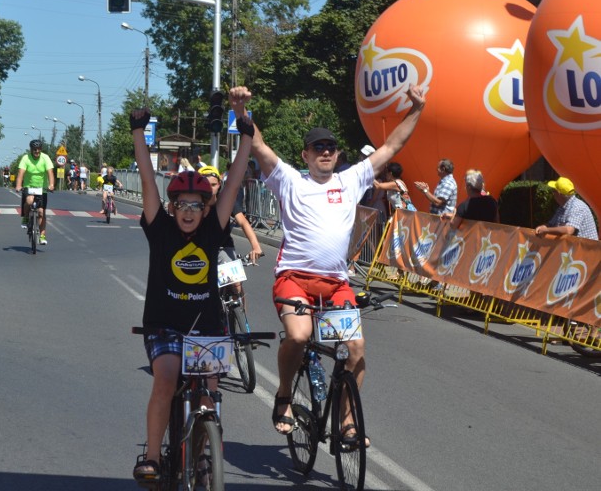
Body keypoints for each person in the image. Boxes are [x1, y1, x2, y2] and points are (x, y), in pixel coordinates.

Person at [245, 84, 426, 446]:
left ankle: (345, 421)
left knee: (355, 351)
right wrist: (241, 112)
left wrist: (417, 109)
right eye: (318, 148)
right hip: (294, 279)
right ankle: (283, 395)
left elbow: (392, 147)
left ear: (337, 153)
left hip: (336, 283)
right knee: (297, 336)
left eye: (330, 148)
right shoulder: (290, 180)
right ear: (306, 154)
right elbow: (259, 146)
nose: (325, 153)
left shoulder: (351, 179)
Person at [130, 93, 255, 484]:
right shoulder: (160, 229)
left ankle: (202, 454)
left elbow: (233, 181)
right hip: (164, 326)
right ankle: (152, 456)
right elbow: (148, 177)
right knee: (166, 378)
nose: (187, 211)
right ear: (171, 208)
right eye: (181, 203)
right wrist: (138, 131)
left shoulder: (213, 230)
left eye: (196, 204)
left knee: (208, 395)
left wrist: (246, 133)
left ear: (206, 208)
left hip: (206, 328)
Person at [199, 164, 264, 308]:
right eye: (205, 184)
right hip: (199, 249)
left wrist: (256, 246)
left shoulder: (226, 200)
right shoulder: (193, 201)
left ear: (219, 184)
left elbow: (243, 222)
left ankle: (242, 322)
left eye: (214, 184)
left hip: (223, 247)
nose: (210, 188)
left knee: (236, 284)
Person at [14, 139, 55, 245]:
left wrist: (51, 185)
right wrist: (18, 185)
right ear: (31, 149)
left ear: (41, 149)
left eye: (39, 149)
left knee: (41, 212)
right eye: (34, 149)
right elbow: (20, 173)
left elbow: (50, 173)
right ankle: (26, 217)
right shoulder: (25, 158)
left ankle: (42, 236)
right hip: (29, 186)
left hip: (42, 188)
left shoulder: (45, 158)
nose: (37, 151)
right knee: (29, 201)